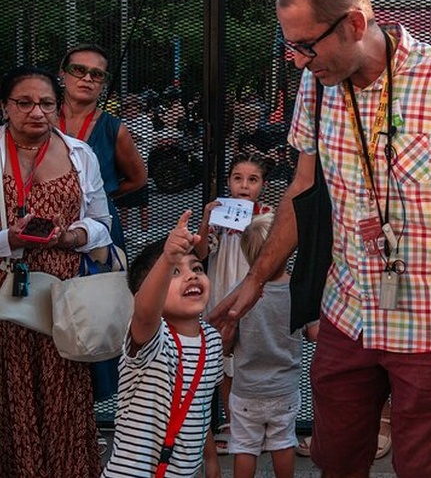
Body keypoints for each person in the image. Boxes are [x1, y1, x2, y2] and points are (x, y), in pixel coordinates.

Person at [210, 0, 431, 477]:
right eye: (290, 45)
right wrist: (255, 280)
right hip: (348, 310)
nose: (297, 60)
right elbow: (303, 188)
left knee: (424, 465)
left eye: (306, 44)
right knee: (336, 458)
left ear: (355, 23)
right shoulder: (317, 86)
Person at [0, 65, 113, 476]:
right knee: (12, 390)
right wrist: (9, 239)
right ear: (5, 106)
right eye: (24, 102)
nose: (36, 112)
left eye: (46, 103)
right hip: (5, 290)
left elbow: (102, 222)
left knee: (62, 388)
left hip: (62, 295)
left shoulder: (80, 154)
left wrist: (73, 237)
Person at [102, 211, 223, 478]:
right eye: (175, 273)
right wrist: (167, 258)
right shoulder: (153, 338)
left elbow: (198, 406)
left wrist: (211, 461)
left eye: (197, 268)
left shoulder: (211, 341)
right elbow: (145, 312)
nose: (192, 276)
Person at [193, 151, 272, 452]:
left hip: (254, 293)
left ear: (262, 184)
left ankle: (260, 424)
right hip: (223, 290)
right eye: (238, 178)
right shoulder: (219, 214)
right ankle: (233, 422)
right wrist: (205, 219)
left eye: (252, 180)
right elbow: (200, 254)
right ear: (228, 182)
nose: (244, 185)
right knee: (224, 359)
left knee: (252, 356)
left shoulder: (267, 214)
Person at [228, 213, 302, 478]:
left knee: (244, 446)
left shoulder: (241, 291)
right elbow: (315, 332)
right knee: (283, 442)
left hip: (247, 387)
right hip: (284, 387)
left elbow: (227, 334)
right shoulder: (297, 290)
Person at [58, 44, 148, 251]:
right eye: (79, 70)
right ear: (62, 74)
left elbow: (139, 179)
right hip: (49, 222)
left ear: (104, 82)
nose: (87, 79)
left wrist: (102, 194)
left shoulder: (114, 129)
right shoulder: (43, 120)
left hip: (97, 229)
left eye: (97, 74)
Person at [117, 93, 154, 232]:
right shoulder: (122, 121)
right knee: (123, 201)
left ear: (138, 107)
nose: (127, 110)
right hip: (122, 164)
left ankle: (144, 232)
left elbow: (139, 138)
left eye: (130, 106)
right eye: (125, 107)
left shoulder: (145, 121)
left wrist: (124, 135)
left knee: (142, 202)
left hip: (139, 166)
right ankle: (124, 230)